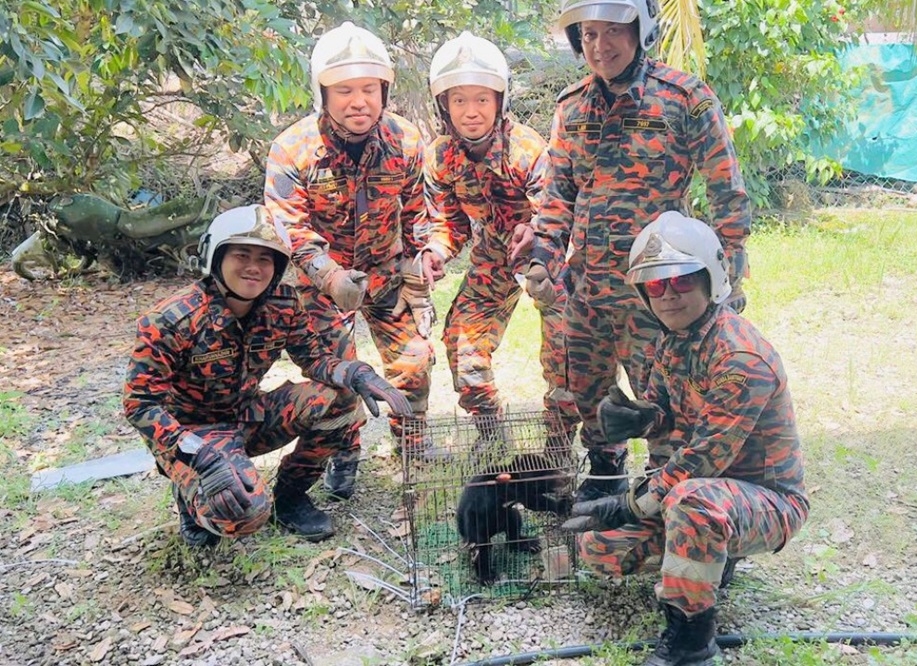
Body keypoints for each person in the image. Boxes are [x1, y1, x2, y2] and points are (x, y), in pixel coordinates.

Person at [525, 0, 752, 501]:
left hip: (660, 290)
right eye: (587, 35)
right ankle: (605, 473)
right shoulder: (572, 106)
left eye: (612, 32)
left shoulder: (684, 98)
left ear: (640, 31)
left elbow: (726, 191)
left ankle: (665, 487)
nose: (599, 47)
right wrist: (543, 256)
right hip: (586, 288)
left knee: (665, 396)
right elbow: (559, 192)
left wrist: (729, 274)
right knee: (586, 387)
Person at [562, 212, 808, 666]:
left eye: (680, 281)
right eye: (655, 286)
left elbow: (703, 459)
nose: (668, 295)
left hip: (766, 501)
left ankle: (691, 641)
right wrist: (640, 418)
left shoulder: (739, 356)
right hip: (702, 494)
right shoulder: (673, 339)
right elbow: (666, 413)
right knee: (599, 551)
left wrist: (628, 502)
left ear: (708, 280)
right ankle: (713, 559)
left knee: (693, 501)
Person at [123, 206, 412, 547]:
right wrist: (197, 455)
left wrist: (358, 374)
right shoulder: (171, 320)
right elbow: (140, 404)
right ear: (215, 257)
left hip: (247, 416)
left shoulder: (282, 303)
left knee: (341, 399)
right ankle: (193, 494)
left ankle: (290, 498)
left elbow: (315, 358)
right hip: (193, 436)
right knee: (243, 515)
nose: (253, 268)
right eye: (241, 254)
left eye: (266, 259)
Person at [264, 22, 442, 497]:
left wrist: (421, 265)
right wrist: (328, 274)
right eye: (344, 90)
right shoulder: (293, 148)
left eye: (369, 89)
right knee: (340, 375)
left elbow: (419, 212)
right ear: (322, 92)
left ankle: (414, 442)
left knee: (416, 360)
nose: (358, 100)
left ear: (384, 90)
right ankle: (346, 450)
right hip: (321, 285)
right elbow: (288, 227)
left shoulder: (405, 140)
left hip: (386, 277)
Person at [420, 31, 579, 446]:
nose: (471, 112)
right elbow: (447, 223)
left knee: (568, 351)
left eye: (482, 99)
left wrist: (537, 232)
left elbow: (558, 210)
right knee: (462, 342)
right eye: (459, 100)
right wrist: (436, 250)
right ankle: (490, 433)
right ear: (444, 105)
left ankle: (559, 446)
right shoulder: (439, 157)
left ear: (499, 101)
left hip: (547, 253)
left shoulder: (525, 149)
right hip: (493, 253)